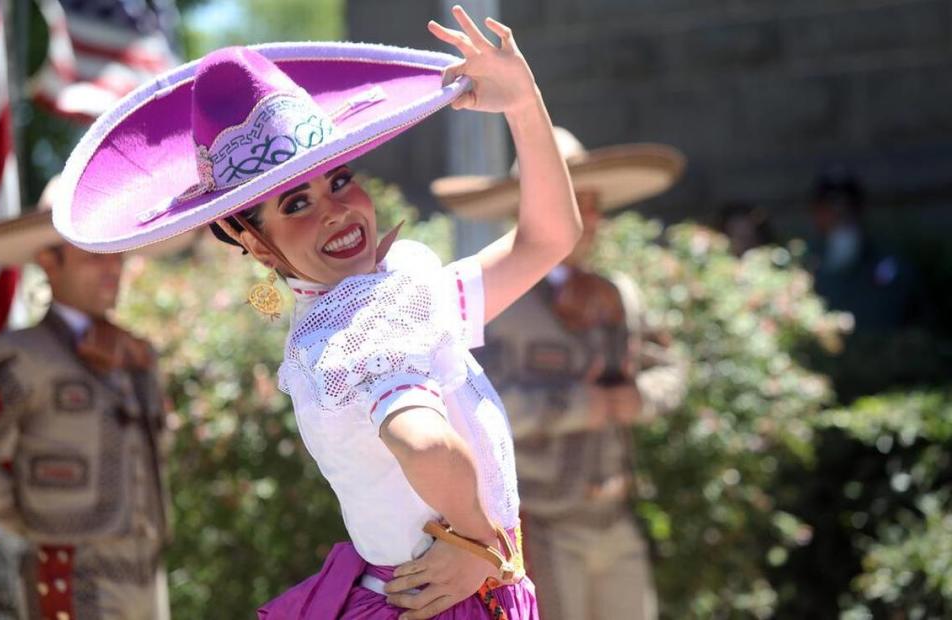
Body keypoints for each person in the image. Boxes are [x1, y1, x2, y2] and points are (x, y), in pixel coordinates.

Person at [53, 7, 582, 619]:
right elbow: (423, 442)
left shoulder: (394, 292)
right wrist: (480, 543)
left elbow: (545, 241)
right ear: (249, 240)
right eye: (296, 202)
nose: (332, 211)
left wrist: (523, 103)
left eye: (339, 179)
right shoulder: (365, 320)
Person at [433, 127, 688, 620]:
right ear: (530, 209)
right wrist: (582, 406)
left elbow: (671, 370)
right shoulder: (495, 306)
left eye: (592, 204)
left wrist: (638, 399)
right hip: (541, 525)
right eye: (572, 202)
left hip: (615, 517)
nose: (587, 218)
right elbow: (477, 407)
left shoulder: (621, 294)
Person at [0, 178, 171, 619]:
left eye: (118, 252)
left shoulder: (136, 353)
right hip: (72, 574)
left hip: (148, 571)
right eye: (93, 254)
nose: (113, 267)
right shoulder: (22, 355)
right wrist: (35, 525)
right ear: (49, 262)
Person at [805, 168, 915, 332]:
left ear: (860, 211)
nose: (840, 215)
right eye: (830, 208)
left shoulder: (888, 263)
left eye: (847, 207)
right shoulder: (804, 261)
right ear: (817, 214)